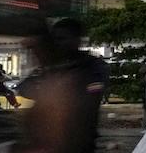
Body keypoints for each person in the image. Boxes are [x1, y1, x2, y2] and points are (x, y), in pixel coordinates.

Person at [14, 17, 108, 153]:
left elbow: (89, 96)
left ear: (77, 40)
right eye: (55, 40)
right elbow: (24, 88)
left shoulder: (92, 66)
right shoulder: (51, 67)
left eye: (62, 38)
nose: (58, 44)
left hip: (76, 143)